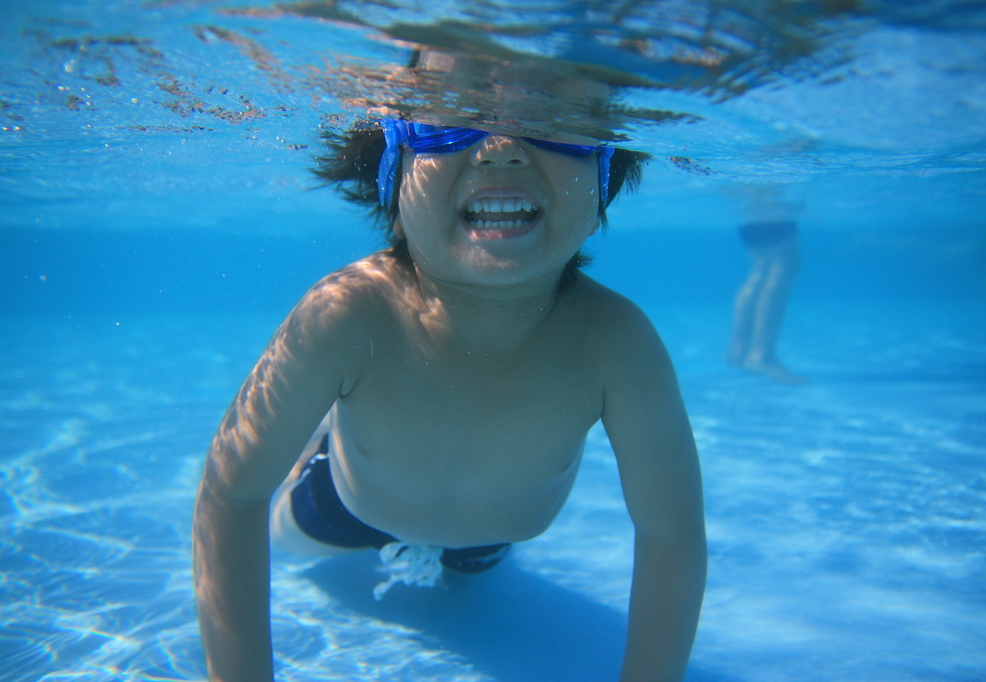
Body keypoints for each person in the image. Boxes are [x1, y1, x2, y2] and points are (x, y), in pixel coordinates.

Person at [191, 118, 707, 682]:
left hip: (490, 540)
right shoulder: (347, 313)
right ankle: (325, 440)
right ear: (392, 173)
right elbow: (232, 492)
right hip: (343, 508)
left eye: (557, 123)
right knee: (282, 535)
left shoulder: (617, 340)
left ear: (605, 173)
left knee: (472, 575)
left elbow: (671, 534)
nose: (502, 149)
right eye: (446, 126)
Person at [726, 220, 805, 384]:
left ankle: (738, 351)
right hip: (763, 195)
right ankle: (762, 355)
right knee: (783, 263)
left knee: (762, 265)